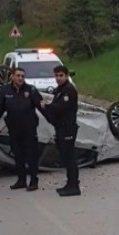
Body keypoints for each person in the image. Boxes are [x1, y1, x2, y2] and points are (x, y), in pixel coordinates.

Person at [0, 67, 42, 191]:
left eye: (22, 76)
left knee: (31, 155)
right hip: (14, 129)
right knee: (18, 156)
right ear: (12, 76)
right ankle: (21, 180)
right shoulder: (5, 90)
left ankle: (34, 181)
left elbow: (41, 106)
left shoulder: (31, 90)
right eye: (18, 76)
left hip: (29, 129)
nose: (20, 78)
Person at [43, 64, 81, 196]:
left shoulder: (69, 90)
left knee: (70, 157)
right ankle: (69, 183)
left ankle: (74, 185)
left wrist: (47, 106)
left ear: (66, 76)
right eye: (56, 75)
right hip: (60, 128)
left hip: (68, 129)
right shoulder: (59, 90)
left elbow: (61, 108)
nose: (58, 78)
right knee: (65, 157)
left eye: (61, 75)